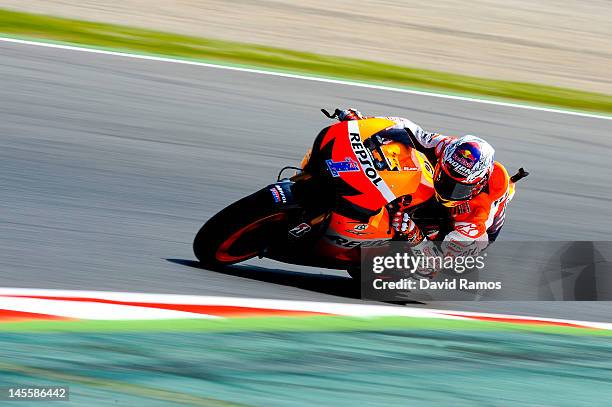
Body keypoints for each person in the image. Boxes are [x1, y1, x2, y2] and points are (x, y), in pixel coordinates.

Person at [334, 108, 517, 258]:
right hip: (454, 200)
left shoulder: (477, 219)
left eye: (458, 188)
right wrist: (364, 122)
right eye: (445, 179)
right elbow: (409, 129)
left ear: (476, 185)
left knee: (425, 265)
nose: (448, 191)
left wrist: (413, 234)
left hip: (465, 234)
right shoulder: (448, 147)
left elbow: (437, 261)